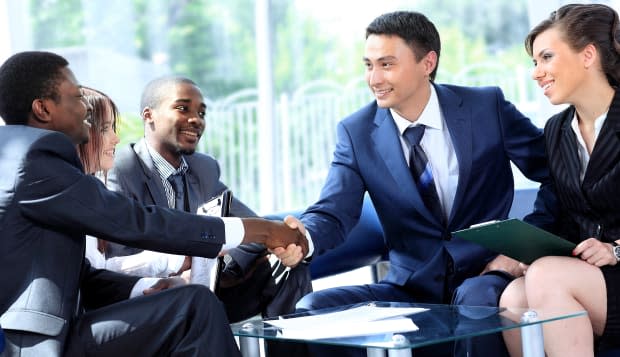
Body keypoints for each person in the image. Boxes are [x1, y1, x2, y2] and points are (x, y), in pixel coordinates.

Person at [0, 51, 307, 357]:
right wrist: (263, 231)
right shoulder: (36, 158)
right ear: (43, 108)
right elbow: (136, 222)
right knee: (193, 308)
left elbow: (78, 275)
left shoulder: (17, 154)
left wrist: (142, 287)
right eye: (77, 97)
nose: (85, 110)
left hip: (66, 329)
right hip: (44, 345)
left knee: (188, 301)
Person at [283, 11, 553, 357]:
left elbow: (557, 174)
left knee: (477, 300)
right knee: (313, 307)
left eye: (387, 64)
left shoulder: (486, 108)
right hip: (408, 287)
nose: (373, 78)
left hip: (484, 276)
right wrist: (302, 238)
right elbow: (334, 211)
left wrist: (521, 246)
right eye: (368, 65)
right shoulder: (356, 132)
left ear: (428, 63)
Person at [104, 75, 312, 322]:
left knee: (289, 268)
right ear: (149, 115)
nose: (196, 119)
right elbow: (116, 262)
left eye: (201, 113)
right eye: (182, 108)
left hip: (204, 290)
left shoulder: (203, 168)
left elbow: (253, 229)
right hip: (152, 298)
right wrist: (174, 274)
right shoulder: (121, 171)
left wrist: (219, 269)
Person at [499, 4, 620, 357]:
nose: (537, 73)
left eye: (546, 58)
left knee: (548, 276)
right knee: (513, 298)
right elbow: (556, 209)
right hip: (595, 276)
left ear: (588, 55)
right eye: (534, 63)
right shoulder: (556, 131)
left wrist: (615, 249)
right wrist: (525, 249)